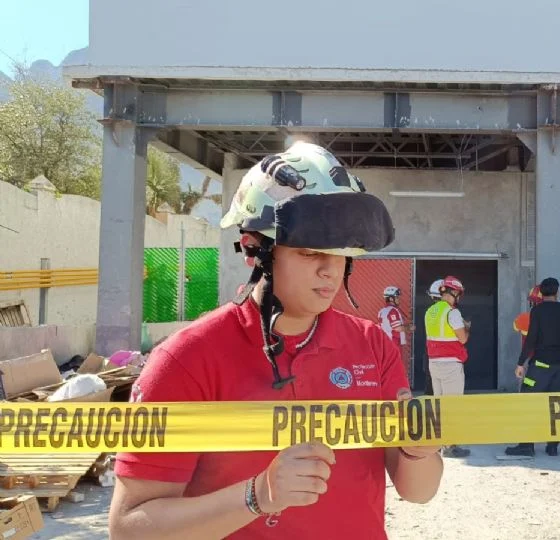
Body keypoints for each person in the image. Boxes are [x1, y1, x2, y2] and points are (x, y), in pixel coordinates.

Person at [108, 142, 443, 540]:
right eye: (309, 251)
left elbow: (418, 491)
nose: (330, 269)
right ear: (255, 249)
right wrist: (258, 495)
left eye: (340, 251)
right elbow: (129, 528)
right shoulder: (187, 358)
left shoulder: (372, 345)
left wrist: (417, 452)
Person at [504, 277, 560, 457]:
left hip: (539, 368)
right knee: (556, 407)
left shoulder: (537, 312)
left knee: (528, 403)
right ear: (557, 292)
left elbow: (531, 340)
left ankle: (526, 445)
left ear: (541, 294)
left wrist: (521, 363)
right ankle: (553, 446)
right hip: (559, 369)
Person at [424, 275, 471, 458]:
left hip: (434, 363)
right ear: (454, 292)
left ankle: (439, 443)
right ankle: (451, 446)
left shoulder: (430, 311)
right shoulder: (453, 313)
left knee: (439, 404)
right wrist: (467, 327)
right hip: (451, 363)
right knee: (453, 406)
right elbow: (463, 339)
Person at [421, 279, 444, 396]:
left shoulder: (429, 312)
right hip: (446, 354)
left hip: (431, 351)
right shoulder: (448, 311)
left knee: (431, 384)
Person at [378, 286, 413, 350]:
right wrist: (410, 328)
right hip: (393, 343)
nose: (398, 299)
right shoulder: (392, 311)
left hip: (386, 342)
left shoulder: (382, 311)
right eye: (397, 297)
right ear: (391, 299)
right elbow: (398, 328)